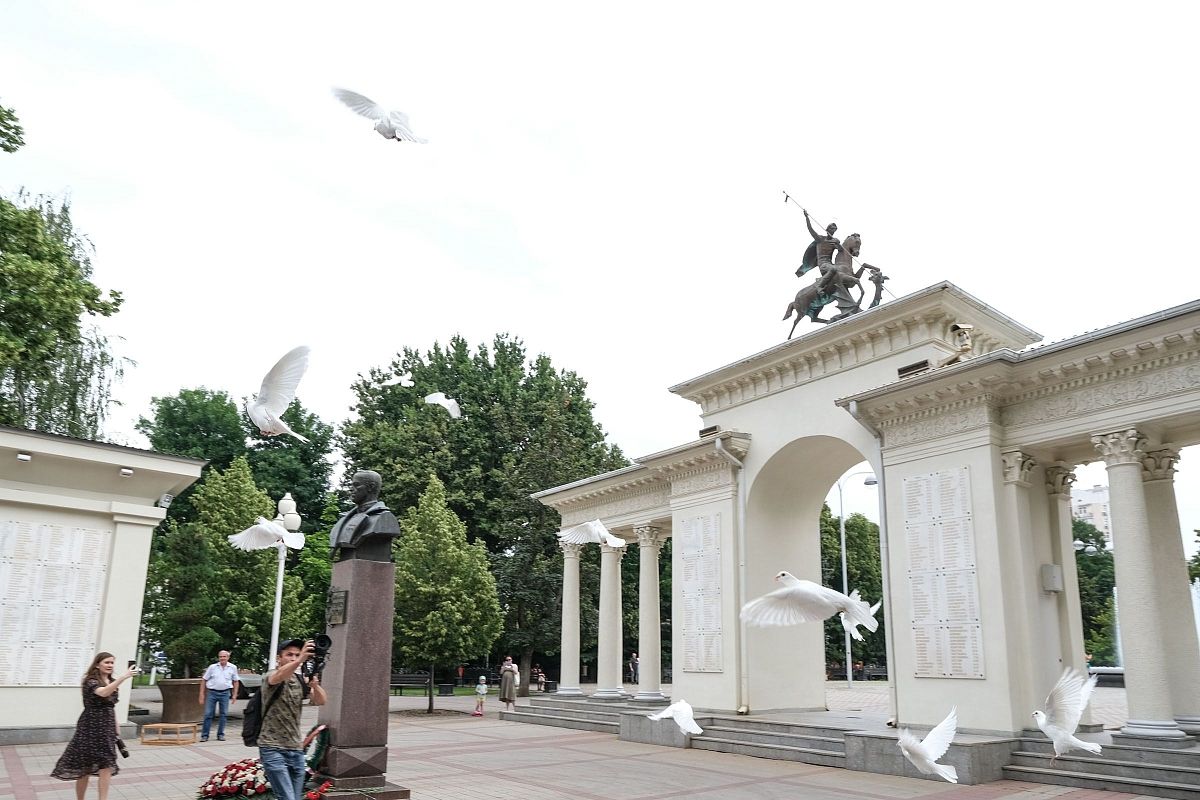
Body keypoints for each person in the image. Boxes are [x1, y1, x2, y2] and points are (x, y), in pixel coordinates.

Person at [51, 652, 139, 800]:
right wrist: (124, 677)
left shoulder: (111, 681)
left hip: (107, 728)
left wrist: (116, 727)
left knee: (106, 765)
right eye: (107, 662)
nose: (110, 665)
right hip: (90, 727)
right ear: (97, 664)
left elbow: (110, 706)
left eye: (112, 663)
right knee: (85, 767)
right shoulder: (90, 681)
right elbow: (103, 693)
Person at [258, 638, 327, 800]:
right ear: (279, 658)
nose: (294, 657)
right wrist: (302, 658)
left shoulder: (299, 681)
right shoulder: (270, 675)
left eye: (297, 655)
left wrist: (314, 685)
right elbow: (279, 676)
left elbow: (321, 701)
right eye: (289, 654)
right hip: (272, 748)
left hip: (296, 749)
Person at [198, 650, 239, 742]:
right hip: (212, 693)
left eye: (224, 656)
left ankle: (220, 734)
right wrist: (201, 694)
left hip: (225, 693)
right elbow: (204, 680)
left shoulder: (233, 667)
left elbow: (236, 681)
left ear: (228, 658)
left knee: (223, 714)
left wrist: (235, 695)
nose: (222, 658)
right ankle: (205, 735)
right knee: (208, 714)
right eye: (220, 656)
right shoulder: (212, 667)